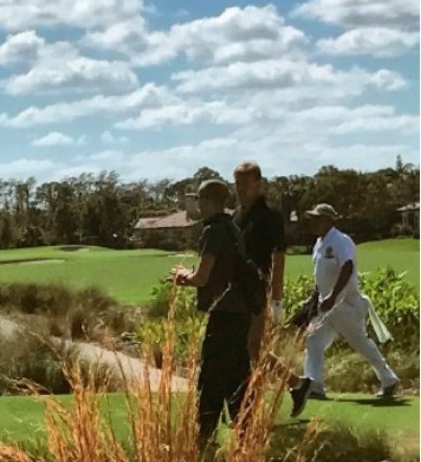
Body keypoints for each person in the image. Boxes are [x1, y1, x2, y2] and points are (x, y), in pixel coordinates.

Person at [171, 180, 251, 444]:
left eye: (199, 199)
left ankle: (205, 437)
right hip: (241, 314)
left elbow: (202, 276)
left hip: (223, 314)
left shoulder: (213, 231)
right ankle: (245, 436)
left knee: (212, 379)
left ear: (207, 200)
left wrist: (184, 276)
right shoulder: (232, 228)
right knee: (238, 377)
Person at [232, 161, 312, 417]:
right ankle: (294, 384)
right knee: (246, 349)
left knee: (253, 347)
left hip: (260, 291)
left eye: (245, 184)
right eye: (237, 184)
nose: (240, 189)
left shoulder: (269, 217)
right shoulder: (236, 217)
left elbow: (278, 257)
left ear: (258, 184)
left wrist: (276, 298)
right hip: (237, 293)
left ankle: (286, 387)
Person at [301, 203, 400, 399]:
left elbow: (347, 267)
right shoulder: (318, 244)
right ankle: (314, 385)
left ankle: (389, 380)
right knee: (313, 341)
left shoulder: (340, 240)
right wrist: (315, 297)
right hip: (326, 306)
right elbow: (321, 275)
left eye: (317, 218)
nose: (313, 222)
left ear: (328, 220)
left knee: (360, 343)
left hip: (345, 304)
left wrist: (333, 296)